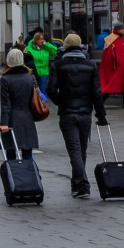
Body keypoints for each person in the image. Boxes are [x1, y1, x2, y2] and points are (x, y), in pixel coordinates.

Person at [48, 33, 108, 199]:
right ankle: (78, 185)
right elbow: (97, 92)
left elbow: (51, 90)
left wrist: (61, 101)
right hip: (85, 114)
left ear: (65, 46)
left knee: (75, 151)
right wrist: (101, 115)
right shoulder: (90, 65)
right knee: (81, 151)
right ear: (81, 46)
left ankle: (82, 185)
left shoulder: (58, 65)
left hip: (67, 113)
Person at [0, 47, 41, 166]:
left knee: (10, 153)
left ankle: (13, 177)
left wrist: (4, 123)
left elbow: (5, 104)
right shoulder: (31, 78)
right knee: (28, 153)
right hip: (28, 118)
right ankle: (31, 174)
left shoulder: (5, 80)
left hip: (12, 119)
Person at [99, 22, 124, 109]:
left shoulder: (120, 38)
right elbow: (108, 56)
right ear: (118, 30)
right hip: (117, 68)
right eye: (123, 29)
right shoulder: (112, 40)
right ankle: (99, 103)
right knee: (111, 85)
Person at [25, 30, 59, 95]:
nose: (42, 40)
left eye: (43, 39)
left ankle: (43, 104)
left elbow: (55, 51)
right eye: (40, 39)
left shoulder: (46, 47)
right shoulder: (29, 48)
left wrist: (46, 44)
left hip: (44, 72)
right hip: (34, 72)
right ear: (35, 40)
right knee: (34, 91)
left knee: (43, 90)